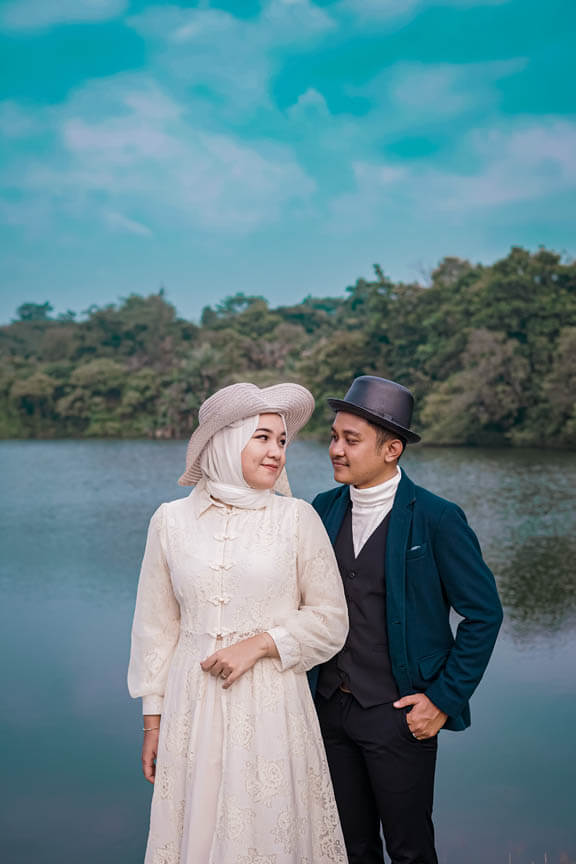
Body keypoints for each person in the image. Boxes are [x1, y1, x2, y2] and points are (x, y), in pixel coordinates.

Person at [128, 382, 349, 864]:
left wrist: (262, 643)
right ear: (225, 442)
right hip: (191, 707)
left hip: (272, 704)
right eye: (262, 438)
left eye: (282, 441)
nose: (276, 452)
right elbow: (155, 628)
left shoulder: (297, 519)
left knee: (267, 830)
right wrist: (152, 722)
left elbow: (331, 620)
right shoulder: (169, 521)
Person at [309, 375, 503, 864]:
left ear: (392, 449)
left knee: (410, 850)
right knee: (348, 848)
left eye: (351, 440)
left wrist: (442, 699)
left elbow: (484, 615)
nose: (336, 449)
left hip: (399, 715)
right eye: (334, 436)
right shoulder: (321, 510)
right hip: (328, 710)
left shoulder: (438, 518)